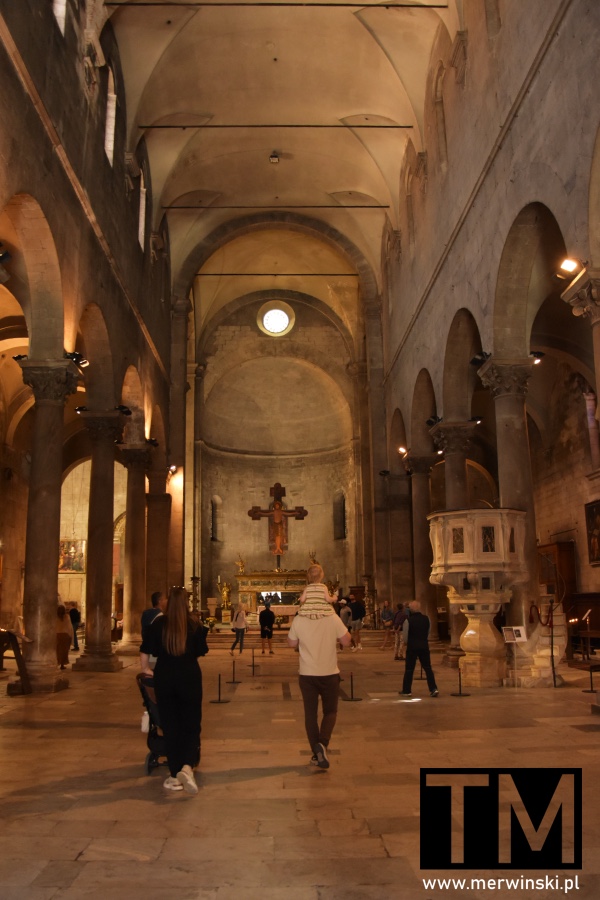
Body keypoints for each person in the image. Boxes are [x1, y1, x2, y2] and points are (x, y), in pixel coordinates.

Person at [140, 586, 209, 794]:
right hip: (189, 677)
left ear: (168, 603)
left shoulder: (159, 624)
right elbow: (198, 653)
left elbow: (144, 652)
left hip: (165, 677)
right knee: (191, 723)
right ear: (187, 603)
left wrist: (145, 670)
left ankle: (174, 773)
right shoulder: (194, 625)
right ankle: (187, 767)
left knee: (170, 725)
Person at [288, 564, 351, 769]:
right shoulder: (332, 617)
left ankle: (317, 751)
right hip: (329, 673)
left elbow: (291, 644)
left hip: (307, 674)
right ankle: (322, 745)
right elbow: (347, 640)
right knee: (330, 712)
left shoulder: (299, 618)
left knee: (310, 715)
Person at [400, 600, 439, 697]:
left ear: (411, 609)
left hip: (412, 646)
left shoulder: (408, 621)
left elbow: (405, 637)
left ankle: (407, 690)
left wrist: (408, 642)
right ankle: (433, 689)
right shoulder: (427, 619)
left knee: (409, 669)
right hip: (424, 645)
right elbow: (428, 632)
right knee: (428, 668)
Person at [56, 604, 73, 670]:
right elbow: (69, 627)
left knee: (57, 650)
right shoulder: (67, 617)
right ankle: (62, 664)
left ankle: (58, 662)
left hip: (57, 635)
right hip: (65, 635)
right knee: (64, 651)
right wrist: (71, 635)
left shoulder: (55, 617)